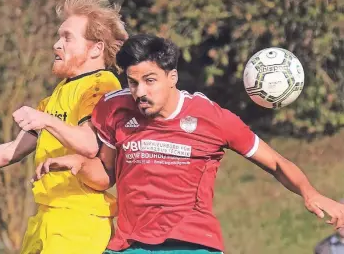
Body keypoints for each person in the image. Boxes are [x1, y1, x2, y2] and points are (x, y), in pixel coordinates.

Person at [35, 33, 344, 253]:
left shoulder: (211, 118)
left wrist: (310, 193)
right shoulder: (114, 108)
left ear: (173, 77)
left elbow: (275, 162)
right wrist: (78, 164)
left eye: (150, 80)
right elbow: (106, 175)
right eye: (133, 82)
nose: (140, 91)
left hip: (192, 242)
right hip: (129, 244)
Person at [0, 0, 128, 254]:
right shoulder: (57, 95)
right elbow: (12, 151)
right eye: (58, 37)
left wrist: (45, 120)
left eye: (67, 38)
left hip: (78, 222)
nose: (56, 45)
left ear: (96, 49)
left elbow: (90, 144)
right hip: (46, 216)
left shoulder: (101, 84)